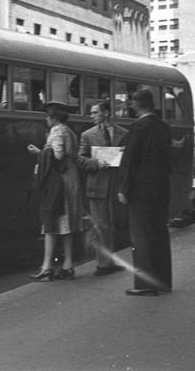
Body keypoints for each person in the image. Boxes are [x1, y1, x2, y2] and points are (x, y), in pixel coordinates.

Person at [118, 88, 172, 296]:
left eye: (132, 102)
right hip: (161, 188)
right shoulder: (163, 127)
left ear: (137, 104)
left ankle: (145, 284)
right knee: (159, 232)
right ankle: (163, 281)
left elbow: (130, 160)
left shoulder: (138, 127)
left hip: (140, 189)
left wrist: (124, 188)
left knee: (141, 236)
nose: (131, 105)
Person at [27, 101, 83, 281]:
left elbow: (57, 155)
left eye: (47, 116)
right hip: (70, 179)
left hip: (59, 182)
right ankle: (68, 266)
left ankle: (47, 268)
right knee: (66, 226)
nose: (46, 120)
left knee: (50, 221)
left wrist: (39, 152)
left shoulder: (57, 130)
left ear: (54, 117)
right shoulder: (69, 131)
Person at [77, 101, 128, 276]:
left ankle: (108, 261)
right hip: (97, 186)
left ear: (106, 113)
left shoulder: (123, 133)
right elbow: (79, 159)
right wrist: (95, 162)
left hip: (115, 186)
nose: (91, 116)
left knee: (112, 225)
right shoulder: (87, 135)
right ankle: (102, 264)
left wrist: (124, 153)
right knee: (100, 225)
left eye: (95, 112)